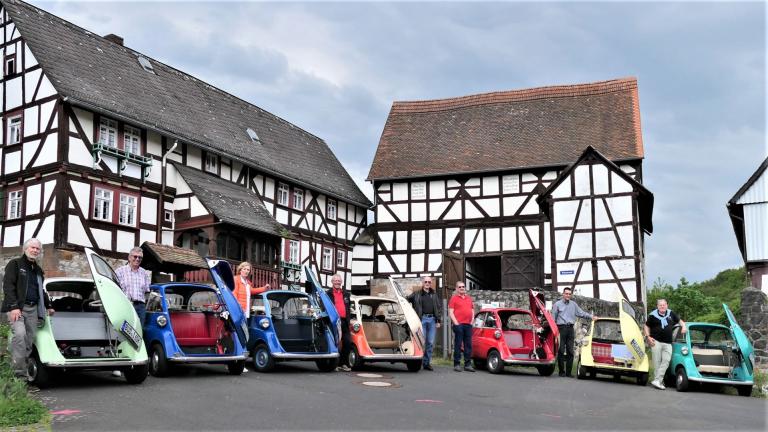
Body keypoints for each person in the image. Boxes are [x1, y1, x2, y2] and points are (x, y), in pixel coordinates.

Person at [2, 238, 53, 381]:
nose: (35, 250)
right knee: (20, 336)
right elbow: (8, 286)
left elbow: (40, 291)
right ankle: (19, 374)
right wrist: (13, 307)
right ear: (25, 248)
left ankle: (17, 366)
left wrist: (48, 306)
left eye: (38, 249)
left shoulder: (38, 270)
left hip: (33, 309)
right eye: (33, 247)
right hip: (18, 309)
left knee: (29, 341)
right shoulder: (16, 264)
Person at [552, 287, 595, 377]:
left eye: (569, 294)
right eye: (566, 293)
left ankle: (568, 373)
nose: (568, 295)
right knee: (560, 351)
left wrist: (591, 317)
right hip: (561, 328)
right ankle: (561, 372)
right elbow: (553, 319)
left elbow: (581, 313)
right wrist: (554, 331)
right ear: (563, 294)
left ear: (570, 295)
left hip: (571, 329)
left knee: (570, 351)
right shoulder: (557, 305)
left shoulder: (573, 305)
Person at [644, 298, 686, 390]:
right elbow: (646, 326)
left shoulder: (671, 313)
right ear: (657, 306)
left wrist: (683, 326)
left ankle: (657, 380)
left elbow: (680, 321)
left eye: (664, 305)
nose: (662, 306)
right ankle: (659, 381)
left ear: (667, 305)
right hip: (656, 341)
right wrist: (648, 336)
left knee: (666, 361)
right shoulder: (652, 315)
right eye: (660, 305)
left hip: (668, 343)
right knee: (657, 362)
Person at [407, 276, 441, 371]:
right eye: (425, 281)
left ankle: (426, 363)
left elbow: (438, 308)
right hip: (421, 320)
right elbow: (405, 300)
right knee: (420, 341)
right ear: (423, 283)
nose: (427, 283)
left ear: (431, 283)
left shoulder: (434, 294)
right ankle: (417, 361)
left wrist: (438, 320)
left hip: (432, 320)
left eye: (429, 282)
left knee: (430, 343)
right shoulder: (417, 294)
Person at [115, 247, 151, 324]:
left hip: (140, 307)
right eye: (135, 256)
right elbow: (115, 290)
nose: (137, 259)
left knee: (140, 330)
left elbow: (147, 292)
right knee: (125, 328)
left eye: (140, 257)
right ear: (129, 257)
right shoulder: (120, 271)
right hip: (125, 304)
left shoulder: (144, 273)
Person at [325, 273, 351, 372]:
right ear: (332, 282)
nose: (337, 282)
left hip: (344, 321)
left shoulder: (346, 294)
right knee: (335, 343)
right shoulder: (328, 294)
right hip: (334, 321)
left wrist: (349, 319)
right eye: (335, 281)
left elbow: (348, 308)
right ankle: (334, 364)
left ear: (341, 282)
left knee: (348, 342)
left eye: (339, 281)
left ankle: (343, 363)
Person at [448, 281, 475, 372]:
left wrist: (472, 321)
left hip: (468, 324)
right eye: (460, 287)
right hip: (459, 324)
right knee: (458, 344)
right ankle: (457, 364)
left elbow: (472, 310)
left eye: (463, 286)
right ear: (456, 289)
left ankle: (467, 364)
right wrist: (456, 323)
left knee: (468, 345)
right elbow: (451, 312)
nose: (462, 288)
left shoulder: (469, 298)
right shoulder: (454, 299)